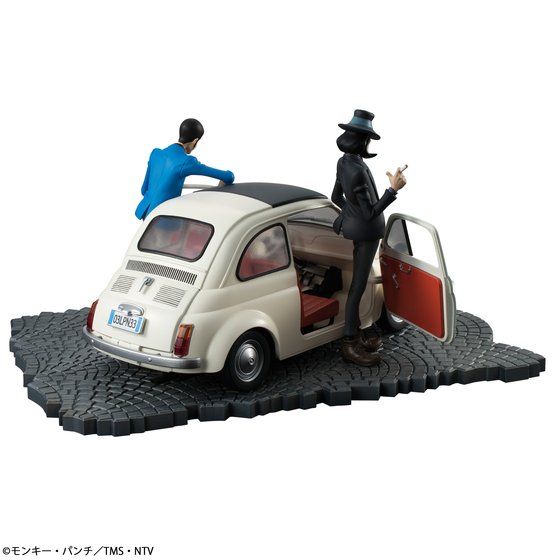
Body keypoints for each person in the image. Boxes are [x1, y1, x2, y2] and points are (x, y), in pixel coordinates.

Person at [331, 109, 407, 366]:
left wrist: (348, 215)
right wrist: (392, 190)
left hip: (358, 231)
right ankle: (349, 343)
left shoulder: (345, 162)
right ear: (362, 140)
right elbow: (370, 212)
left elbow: (336, 197)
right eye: (368, 140)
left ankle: (356, 334)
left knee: (358, 285)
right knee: (358, 287)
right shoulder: (357, 171)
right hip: (366, 234)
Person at [134, 118, 235, 220]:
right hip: (162, 218)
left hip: (145, 215)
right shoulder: (187, 162)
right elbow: (229, 176)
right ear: (195, 141)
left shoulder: (155, 154)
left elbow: (144, 190)